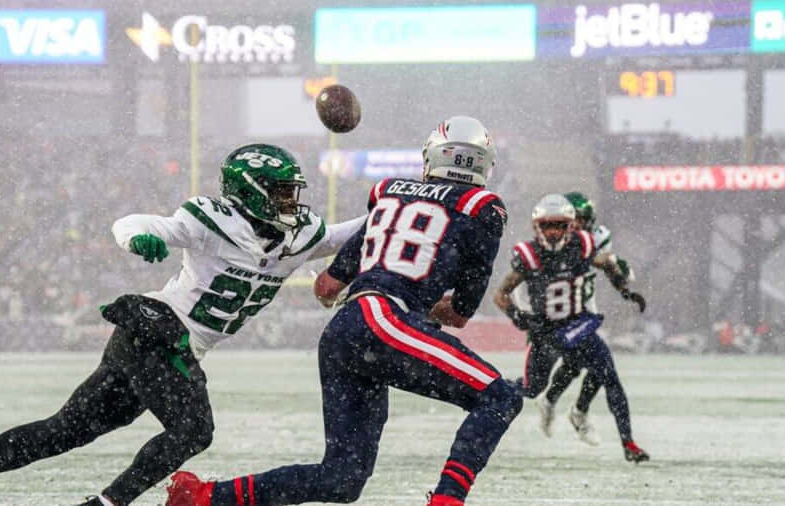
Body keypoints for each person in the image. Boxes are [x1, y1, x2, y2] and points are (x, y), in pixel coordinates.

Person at [0, 144, 366, 506]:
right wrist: (138, 238)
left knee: (62, 432)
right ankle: (108, 502)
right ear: (251, 191)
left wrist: (405, 197)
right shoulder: (211, 220)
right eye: (282, 191)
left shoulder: (302, 237)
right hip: (158, 329)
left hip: (162, 343)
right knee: (193, 431)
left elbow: (359, 229)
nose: (292, 201)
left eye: (292, 191)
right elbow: (138, 222)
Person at [166, 116, 520, 506]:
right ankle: (448, 500)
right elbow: (460, 312)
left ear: (432, 157)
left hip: (344, 332)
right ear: (483, 164)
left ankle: (204, 496)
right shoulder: (483, 207)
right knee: (500, 397)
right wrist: (425, 301)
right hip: (386, 320)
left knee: (341, 479)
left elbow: (326, 288)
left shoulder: (389, 193)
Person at [492, 193, 650, 463]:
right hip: (545, 331)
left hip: (578, 325)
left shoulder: (583, 245)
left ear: (571, 226)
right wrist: (516, 315)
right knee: (531, 388)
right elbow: (501, 294)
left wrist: (624, 290)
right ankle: (490, 389)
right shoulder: (529, 255)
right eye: (547, 226)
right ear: (537, 227)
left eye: (559, 226)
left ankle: (629, 443)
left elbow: (608, 263)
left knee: (608, 375)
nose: (553, 232)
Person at [534, 192, 635, 446]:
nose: (578, 224)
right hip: (562, 313)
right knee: (584, 365)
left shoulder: (595, 238)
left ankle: (558, 405)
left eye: (582, 219)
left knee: (583, 366)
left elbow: (610, 263)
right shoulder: (558, 241)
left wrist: (621, 271)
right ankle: (573, 411)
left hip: (585, 311)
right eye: (574, 219)